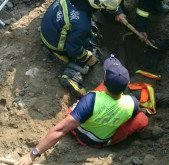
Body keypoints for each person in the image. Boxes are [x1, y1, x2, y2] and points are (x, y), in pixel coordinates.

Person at [15, 55, 149, 165]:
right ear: (128, 84)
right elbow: (137, 112)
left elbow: (60, 130)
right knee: (142, 119)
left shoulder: (92, 99)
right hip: (101, 142)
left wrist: (31, 155)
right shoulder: (131, 103)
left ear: (104, 79)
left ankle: (79, 108)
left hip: (77, 131)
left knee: (85, 103)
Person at [40, 0, 122, 99]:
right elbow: (73, 48)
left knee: (88, 30)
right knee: (91, 47)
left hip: (49, 24)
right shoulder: (82, 24)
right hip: (53, 42)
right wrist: (88, 57)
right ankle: (71, 75)